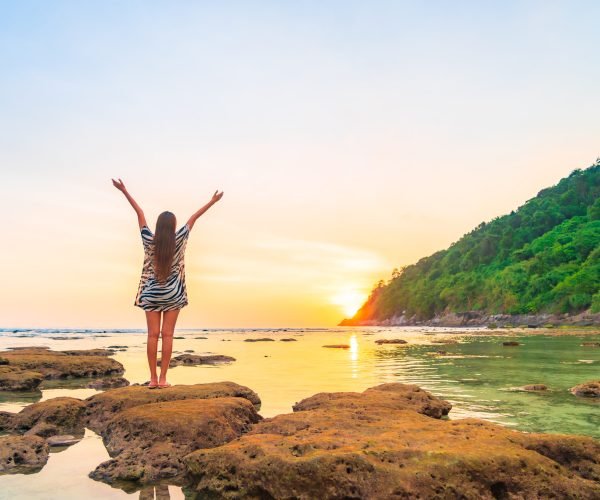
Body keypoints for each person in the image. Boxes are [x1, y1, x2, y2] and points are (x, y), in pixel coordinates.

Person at [112, 178, 224, 388]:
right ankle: (163, 379)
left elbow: (140, 214)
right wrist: (213, 201)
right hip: (173, 293)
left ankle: (152, 380)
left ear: (158, 226)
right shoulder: (180, 238)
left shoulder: (148, 239)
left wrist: (124, 190)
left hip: (151, 293)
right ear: (173, 226)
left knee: (152, 335)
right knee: (168, 335)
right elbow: (193, 218)